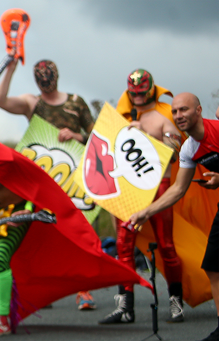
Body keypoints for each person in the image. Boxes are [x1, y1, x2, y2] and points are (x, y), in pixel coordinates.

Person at [0, 115, 148, 337]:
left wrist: (27, 210)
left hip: (18, 213)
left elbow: (31, 185)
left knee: (0, 258)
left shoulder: (5, 156)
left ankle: (3, 319)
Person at [0, 58, 98, 310]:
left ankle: (82, 290)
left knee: (78, 232)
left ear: (56, 76)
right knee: (35, 231)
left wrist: (77, 135)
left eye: (48, 78)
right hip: (41, 176)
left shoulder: (76, 102)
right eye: (40, 79)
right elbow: (0, 101)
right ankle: (38, 290)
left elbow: (96, 137)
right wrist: (10, 69)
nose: (45, 83)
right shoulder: (33, 102)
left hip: (72, 178)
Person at [128, 93, 219, 340]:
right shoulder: (189, 148)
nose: (178, 116)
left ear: (198, 110)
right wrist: (146, 211)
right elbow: (177, 189)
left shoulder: (218, 130)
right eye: (175, 111)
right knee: (213, 266)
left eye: (184, 110)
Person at [101, 69, 185, 324]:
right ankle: (125, 307)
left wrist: (144, 138)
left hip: (159, 188)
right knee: (123, 247)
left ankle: (176, 302)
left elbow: (174, 151)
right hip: (128, 191)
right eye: (133, 93)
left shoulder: (165, 118)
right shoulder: (119, 118)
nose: (137, 97)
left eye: (141, 92)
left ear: (151, 90)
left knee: (166, 246)